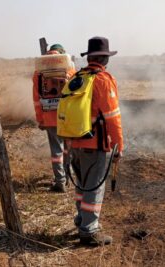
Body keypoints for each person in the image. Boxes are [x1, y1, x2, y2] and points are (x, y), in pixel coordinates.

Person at [62, 37, 124, 245]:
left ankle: (82, 220)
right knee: (94, 187)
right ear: (104, 59)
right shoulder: (103, 80)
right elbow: (113, 118)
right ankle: (89, 232)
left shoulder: (76, 77)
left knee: (82, 186)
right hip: (95, 145)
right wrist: (119, 146)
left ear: (89, 57)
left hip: (74, 142)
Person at [32, 44, 76, 192]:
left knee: (56, 151)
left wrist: (41, 120)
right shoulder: (70, 69)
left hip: (50, 117)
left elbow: (37, 100)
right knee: (68, 148)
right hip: (68, 116)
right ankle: (69, 176)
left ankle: (60, 182)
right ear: (62, 54)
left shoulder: (38, 73)